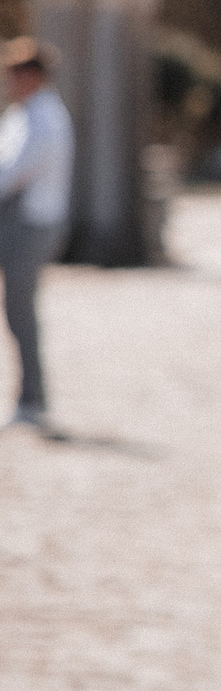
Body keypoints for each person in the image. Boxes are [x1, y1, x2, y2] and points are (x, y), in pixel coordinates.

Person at [0, 37, 74, 433]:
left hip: (28, 223)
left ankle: (31, 396)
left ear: (30, 76)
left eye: (13, 73)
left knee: (19, 311)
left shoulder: (43, 118)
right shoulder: (23, 114)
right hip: (18, 220)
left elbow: (10, 174)